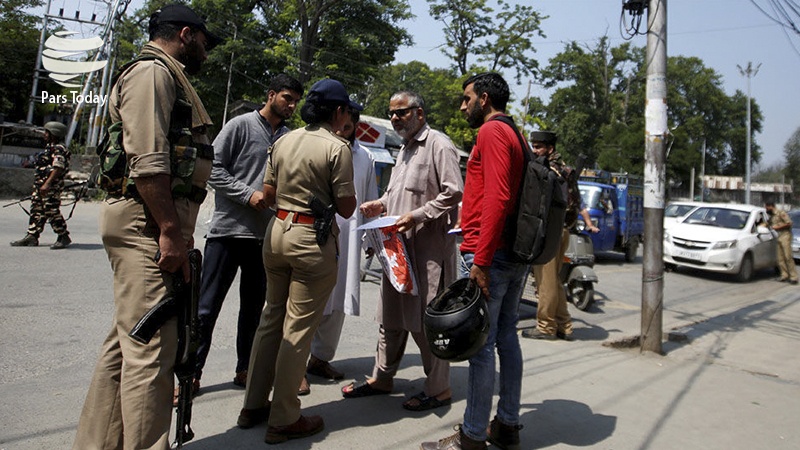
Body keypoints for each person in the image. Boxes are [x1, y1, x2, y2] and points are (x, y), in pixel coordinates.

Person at [72, 4, 220, 449]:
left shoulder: (166, 74)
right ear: (187, 34)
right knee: (152, 350)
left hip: (151, 221)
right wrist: (171, 232)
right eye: (205, 44)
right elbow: (148, 161)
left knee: (128, 340)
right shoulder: (153, 74)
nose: (207, 54)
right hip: (147, 221)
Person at [237, 78, 359, 444]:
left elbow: (269, 193)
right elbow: (347, 207)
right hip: (312, 240)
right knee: (298, 329)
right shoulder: (338, 148)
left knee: (271, 318)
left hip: (277, 232)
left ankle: (253, 406)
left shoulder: (283, 140)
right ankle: (285, 417)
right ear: (339, 112)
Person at [420, 72, 528, 450]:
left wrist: (480, 259)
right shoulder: (515, 132)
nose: (462, 106)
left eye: (466, 99)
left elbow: (498, 198)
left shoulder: (493, 132)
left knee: (481, 346)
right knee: (506, 337)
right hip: (512, 253)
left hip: (491, 254)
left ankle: (471, 437)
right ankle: (507, 425)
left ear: (484, 99)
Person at [342, 90, 463, 412]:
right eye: (392, 113)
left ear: (419, 113)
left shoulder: (439, 144)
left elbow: (454, 193)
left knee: (427, 322)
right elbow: (397, 193)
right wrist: (380, 204)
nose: (395, 118)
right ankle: (382, 378)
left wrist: (417, 216)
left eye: (402, 112)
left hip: (428, 252)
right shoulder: (405, 149)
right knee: (390, 318)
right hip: (397, 251)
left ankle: (439, 389)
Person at [191, 74, 304, 397]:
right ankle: (191, 374)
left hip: (265, 237)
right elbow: (212, 169)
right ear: (270, 96)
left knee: (254, 309)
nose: (292, 105)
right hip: (227, 232)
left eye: (296, 100)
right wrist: (247, 195)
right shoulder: (240, 125)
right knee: (205, 308)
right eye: (287, 98)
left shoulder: (289, 138)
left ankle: (245, 368)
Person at [301, 109, 380, 395]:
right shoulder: (318, 148)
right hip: (316, 235)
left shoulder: (365, 157)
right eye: (339, 124)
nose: (342, 129)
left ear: (355, 126)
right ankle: (296, 367)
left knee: (339, 301)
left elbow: (371, 200)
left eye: (349, 125)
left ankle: (320, 359)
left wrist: (373, 240)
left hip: (349, 238)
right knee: (310, 300)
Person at [522, 131, 598, 341]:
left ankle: (546, 326)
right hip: (563, 230)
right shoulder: (566, 170)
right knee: (553, 281)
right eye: (533, 146)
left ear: (550, 149)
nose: (535, 151)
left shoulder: (548, 170)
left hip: (550, 232)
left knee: (544, 281)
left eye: (538, 147)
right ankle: (564, 325)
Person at [10, 121, 72, 249]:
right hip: (41, 185)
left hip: (50, 186)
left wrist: (47, 184)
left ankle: (63, 235)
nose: (44, 135)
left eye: (47, 132)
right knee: (37, 210)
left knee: (51, 210)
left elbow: (58, 168)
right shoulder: (50, 147)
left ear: (54, 134)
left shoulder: (59, 149)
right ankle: (32, 236)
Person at [765, 202, 798, 285]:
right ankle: (784, 275)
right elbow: (768, 224)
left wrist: (778, 227)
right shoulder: (772, 216)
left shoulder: (781, 213)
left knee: (788, 257)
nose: (766, 209)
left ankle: (794, 277)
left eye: (767, 207)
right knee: (780, 258)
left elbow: (789, 223)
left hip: (785, 236)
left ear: (771, 206)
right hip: (778, 236)